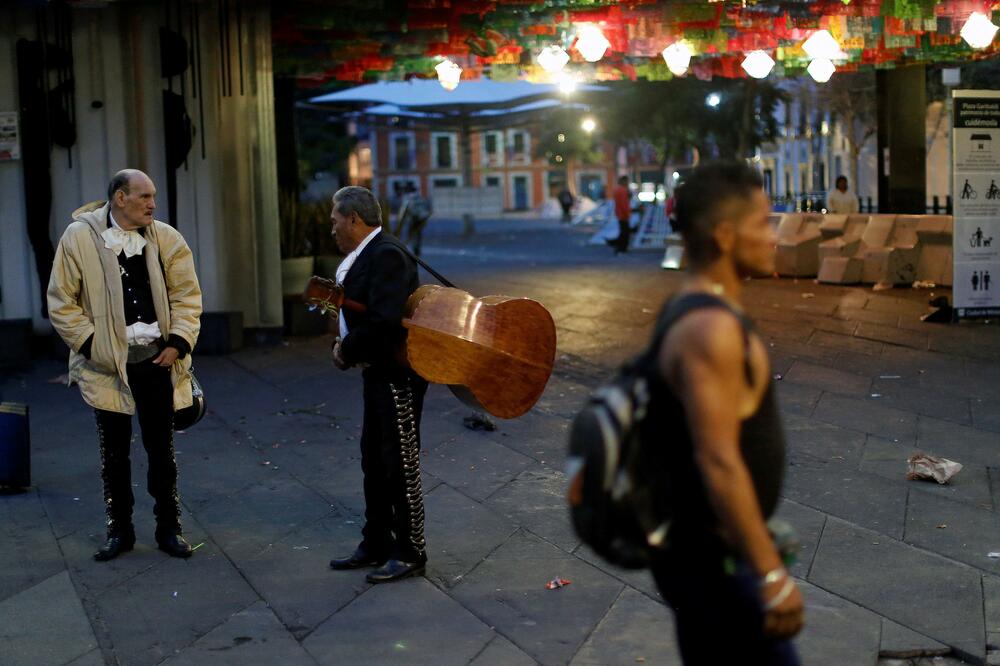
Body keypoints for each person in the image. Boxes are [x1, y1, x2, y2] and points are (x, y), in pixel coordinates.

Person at [646, 162, 803, 663]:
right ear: (725, 235)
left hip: (708, 554)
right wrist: (771, 574)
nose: (774, 233)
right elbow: (718, 459)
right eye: (763, 221)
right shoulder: (709, 329)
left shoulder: (699, 309)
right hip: (713, 560)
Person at [47, 169, 202, 561]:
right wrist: (95, 347)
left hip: (157, 359)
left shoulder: (167, 238)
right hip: (105, 365)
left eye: (153, 196)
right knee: (113, 454)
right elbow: (61, 302)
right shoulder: (78, 238)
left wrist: (179, 343)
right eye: (144, 196)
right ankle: (120, 531)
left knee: (161, 451)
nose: (153, 203)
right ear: (119, 198)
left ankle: (169, 528)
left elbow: (187, 296)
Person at [327, 185, 430, 584]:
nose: (332, 228)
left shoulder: (386, 253)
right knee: (374, 457)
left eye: (336, 221)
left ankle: (410, 551)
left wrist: (345, 350)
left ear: (354, 219)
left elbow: (384, 320)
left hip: (399, 375)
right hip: (379, 371)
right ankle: (375, 542)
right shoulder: (370, 252)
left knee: (398, 462)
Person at [393, 183, 432, 257]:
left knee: (411, 234)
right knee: (418, 234)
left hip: (413, 219)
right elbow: (426, 207)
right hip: (421, 218)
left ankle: (413, 249)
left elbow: (403, 211)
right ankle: (417, 249)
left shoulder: (407, 198)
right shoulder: (419, 196)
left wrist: (399, 223)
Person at [611, 175, 632, 254]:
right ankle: (621, 247)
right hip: (623, 214)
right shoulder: (623, 190)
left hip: (620, 213)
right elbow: (624, 204)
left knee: (623, 231)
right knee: (625, 232)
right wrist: (627, 213)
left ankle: (619, 247)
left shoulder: (617, 190)